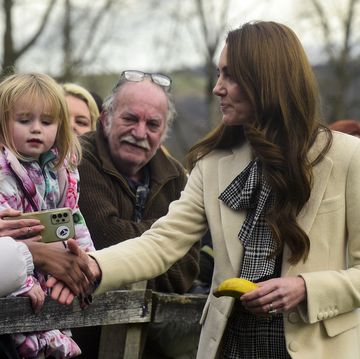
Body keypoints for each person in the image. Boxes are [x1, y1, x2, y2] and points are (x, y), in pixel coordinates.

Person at [48, 20, 360, 358]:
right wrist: (94, 266)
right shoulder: (213, 164)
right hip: (230, 348)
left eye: (230, 76)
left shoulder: (347, 157)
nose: (217, 88)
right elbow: (162, 242)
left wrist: (306, 288)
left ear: (266, 80)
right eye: (217, 74)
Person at [73, 70, 200, 358]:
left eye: (153, 124)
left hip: (153, 348)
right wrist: (165, 244)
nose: (140, 133)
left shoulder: (176, 177)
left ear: (164, 131)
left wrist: (127, 253)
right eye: (130, 118)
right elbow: (103, 238)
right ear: (106, 118)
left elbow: (186, 269)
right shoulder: (77, 157)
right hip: (81, 342)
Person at [0, 73, 95, 358]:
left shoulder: (61, 172)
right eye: (25, 120)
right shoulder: (3, 172)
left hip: (50, 282)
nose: (36, 130)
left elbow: (73, 219)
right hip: (16, 287)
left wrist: (87, 261)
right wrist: (22, 282)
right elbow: (6, 239)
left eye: (46, 122)